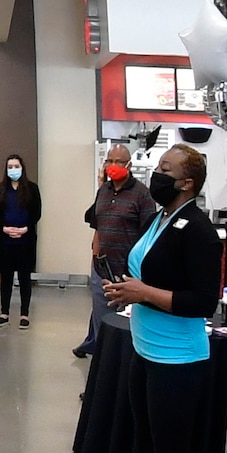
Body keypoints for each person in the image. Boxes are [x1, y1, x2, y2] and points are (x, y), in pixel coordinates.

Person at [96, 144, 221, 453]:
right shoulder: (160, 219)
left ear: (187, 182)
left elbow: (201, 302)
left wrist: (143, 292)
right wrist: (129, 294)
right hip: (145, 352)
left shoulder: (201, 231)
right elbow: (149, 279)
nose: (156, 174)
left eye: (166, 169)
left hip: (178, 363)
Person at [75, 144, 144, 359]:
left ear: (129, 165)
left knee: (124, 327)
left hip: (127, 270)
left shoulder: (142, 194)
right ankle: (99, 376)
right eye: (109, 161)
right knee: (102, 322)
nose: (113, 166)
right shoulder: (103, 191)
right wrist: (95, 253)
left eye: (119, 162)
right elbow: (98, 224)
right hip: (101, 269)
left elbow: (147, 234)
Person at [0, 154, 42, 329]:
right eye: (10, 167)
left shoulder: (32, 189)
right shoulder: (0, 189)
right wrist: (5, 228)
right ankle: (4, 313)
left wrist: (25, 228)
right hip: (5, 240)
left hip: (25, 240)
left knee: (24, 278)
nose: (13, 170)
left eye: (16, 166)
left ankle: (24, 314)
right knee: (5, 278)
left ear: (22, 167)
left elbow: (37, 213)